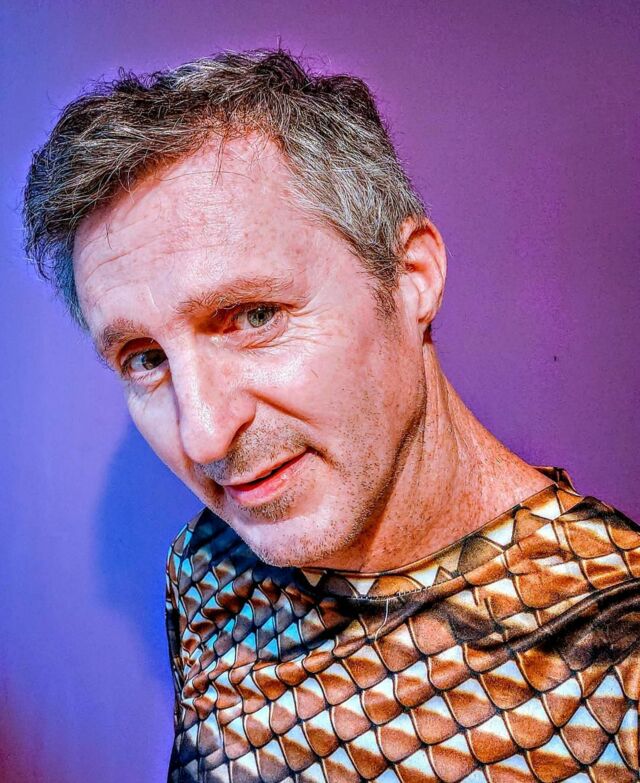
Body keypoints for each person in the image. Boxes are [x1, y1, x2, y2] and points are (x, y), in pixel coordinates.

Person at [23, 49, 640, 783]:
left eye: (254, 315)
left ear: (411, 279)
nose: (204, 435)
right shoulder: (206, 564)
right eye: (145, 358)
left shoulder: (621, 644)